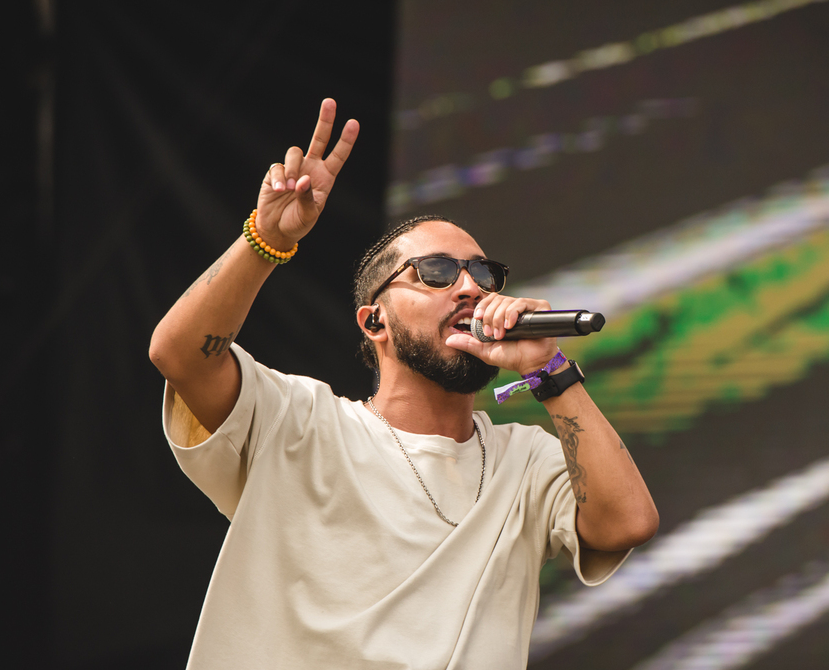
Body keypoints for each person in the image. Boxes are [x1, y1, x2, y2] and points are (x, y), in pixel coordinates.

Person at [148, 99, 658, 669]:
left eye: (483, 274)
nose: (470, 288)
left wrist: (550, 369)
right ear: (375, 322)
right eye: (436, 272)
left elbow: (627, 524)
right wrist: (266, 237)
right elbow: (179, 354)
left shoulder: (524, 461)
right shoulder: (298, 421)